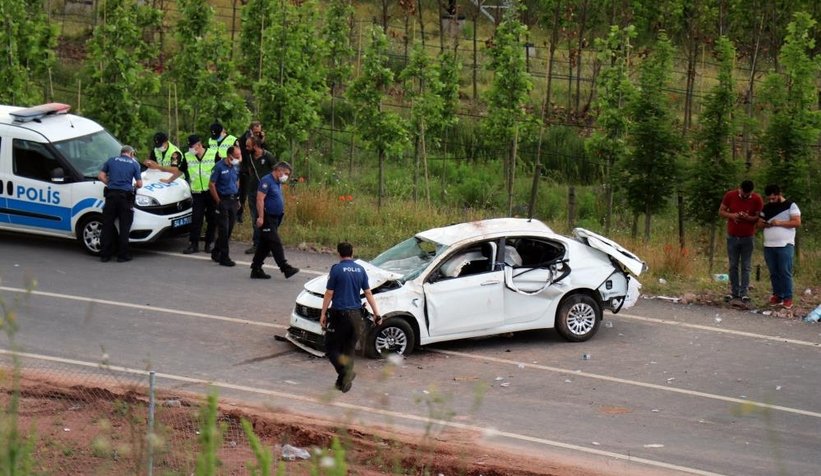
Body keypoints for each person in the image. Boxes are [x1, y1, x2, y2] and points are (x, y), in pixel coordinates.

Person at [319, 242, 382, 392]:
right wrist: (377, 313)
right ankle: (342, 383)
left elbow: (329, 293)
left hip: (340, 316)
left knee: (331, 347)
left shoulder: (336, 269)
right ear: (352, 253)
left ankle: (345, 373)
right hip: (357, 316)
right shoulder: (360, 270)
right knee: (348, 350)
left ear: (339, 254)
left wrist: (323, 313)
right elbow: (368, 293)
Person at [249, 161, 300, 279]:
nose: (286, 176)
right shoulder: (266, 180)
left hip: (275, 218)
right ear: (279, 170)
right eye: (286, 173)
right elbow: (260, 199)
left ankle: (256, 268)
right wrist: (261, 217)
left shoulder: (277, 182)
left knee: (265, 245)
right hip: (267, 217)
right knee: (275, 242)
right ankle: (285, 267)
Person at [718, 180, 763, 302]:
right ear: (740, 189)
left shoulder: (756, 199)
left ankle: (744, 292)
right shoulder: (730, 195)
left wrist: (747, 217)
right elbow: (721, 211)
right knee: (733, 265)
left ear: (751, 192)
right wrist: (733, 216)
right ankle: (734, 291)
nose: (745, 196)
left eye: (748, 194)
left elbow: (758, 217)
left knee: (746, 265)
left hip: (748, 237)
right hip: (733, 236)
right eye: (743, 193)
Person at [759, 185, 801, 310]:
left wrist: (780, 223)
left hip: (785, 244)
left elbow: (797, 222)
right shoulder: (766, 208)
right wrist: (765, 224)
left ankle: (788, 297)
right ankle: (777, 295)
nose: (771, 200)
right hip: (769, 245)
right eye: (769, 198)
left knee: (784, 271)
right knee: (774, 272)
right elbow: (759, 223)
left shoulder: (791, 205)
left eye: (773, 198)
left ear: (779, 194)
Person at [97, 145, 143, 263]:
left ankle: (104, 255)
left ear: (121, 153)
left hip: (111, 196)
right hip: (125, 198)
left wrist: (110, 183)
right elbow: (139, 184)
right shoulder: (134, 164)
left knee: (107, 225)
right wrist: (131, 186)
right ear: (131, 153)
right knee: (124, 226)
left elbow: (101, 176)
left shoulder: (111, 160)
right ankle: (122, 255)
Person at [183, 135, 218, 254]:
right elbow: (180, 170)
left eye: (192, 146)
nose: (190, 149)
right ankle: (193, 244)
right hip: (197, 192)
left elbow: (221, 169)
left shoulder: (213, 154)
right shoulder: (187, 156)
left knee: (212, 218)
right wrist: (168, 179)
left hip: (211, 191)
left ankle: (209, 243)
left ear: (199, 145)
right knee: (196, 218)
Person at [208, 146, 242, 267]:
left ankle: (216, 251)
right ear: (229, 156)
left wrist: (237, 198)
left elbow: (236, 181)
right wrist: (218, 201)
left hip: (233, 200)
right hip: (222, 200)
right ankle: (224, 257)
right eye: (237, 156)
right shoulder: (219, 167)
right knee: (223, 229)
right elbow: (211, 185)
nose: (239, 158)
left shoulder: (236, 166)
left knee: (229, 229)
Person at [242, 135, 275, 255]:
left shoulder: (268, 156)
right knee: (256, 218)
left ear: (255, 146)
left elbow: (275, 172)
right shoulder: (249, 157)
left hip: (266, 192)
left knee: (268, 218)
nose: (246, 148)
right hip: (253, 192)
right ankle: (256, 244)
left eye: (248, 146)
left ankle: (268, 246)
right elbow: (250, 171)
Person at [238, 121, 265, 223]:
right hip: (246, 168)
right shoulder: (245, 139)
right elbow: (245, 152)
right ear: (251, 130)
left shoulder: (258, 139)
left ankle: (256, 214)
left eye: (259, 132)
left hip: (256, 169)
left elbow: (263, 150)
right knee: (243, 193)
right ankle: (239, 214)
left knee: (256, 192)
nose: (258, 134)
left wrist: (262, 140)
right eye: (256, 132)